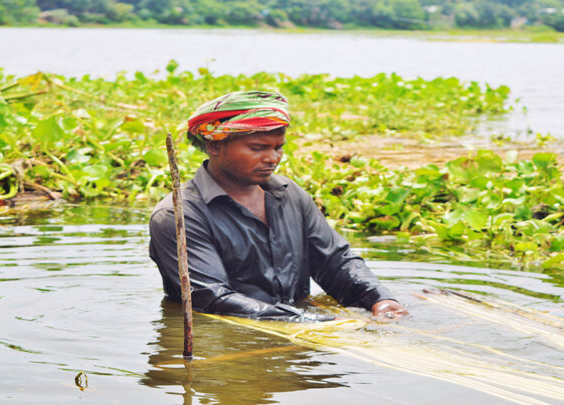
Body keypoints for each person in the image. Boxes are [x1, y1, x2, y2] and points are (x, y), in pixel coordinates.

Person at [148, 91, 408, 322]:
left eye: (278, 147)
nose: (272, 158)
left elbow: (335, 263)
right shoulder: (177, 216)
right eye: (258, 148)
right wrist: (307, 320)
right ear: (215, 144)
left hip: (297, 323)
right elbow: (211, 298)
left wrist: (379, 300)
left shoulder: (290, 194)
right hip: (229, 341)